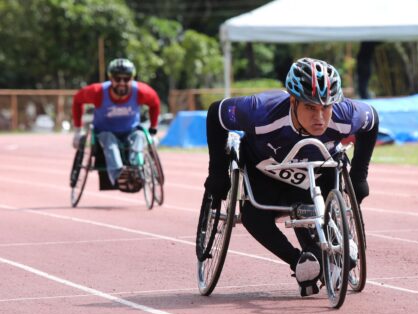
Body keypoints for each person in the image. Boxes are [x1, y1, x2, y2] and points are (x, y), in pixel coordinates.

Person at [203, 57, 379, 297]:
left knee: (316, 217)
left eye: (326, 107)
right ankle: (298, 262)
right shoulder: (259, 110)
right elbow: (216, 113)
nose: (320, 117)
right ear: (293, 101)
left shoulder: (346, 115)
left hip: (317, 170)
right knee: (253, 217)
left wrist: (359, 177)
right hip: (266, 173)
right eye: (310, 107)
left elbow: (372, 121)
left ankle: (320, 255)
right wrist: (217, 174)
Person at [72, 58, 161, 186]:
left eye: (126, 79)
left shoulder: (141, 92)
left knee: (140, 136)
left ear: (132, 78)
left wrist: (153, 131)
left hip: (131, 131)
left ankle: (136, 170)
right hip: (104, 132)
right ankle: (119, 175)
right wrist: (77, 130)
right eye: (117, 79)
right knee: (109, 141)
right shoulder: (98, 92)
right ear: (110, 78)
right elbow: (77, 100)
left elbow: (155, 103)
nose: (122, 83)